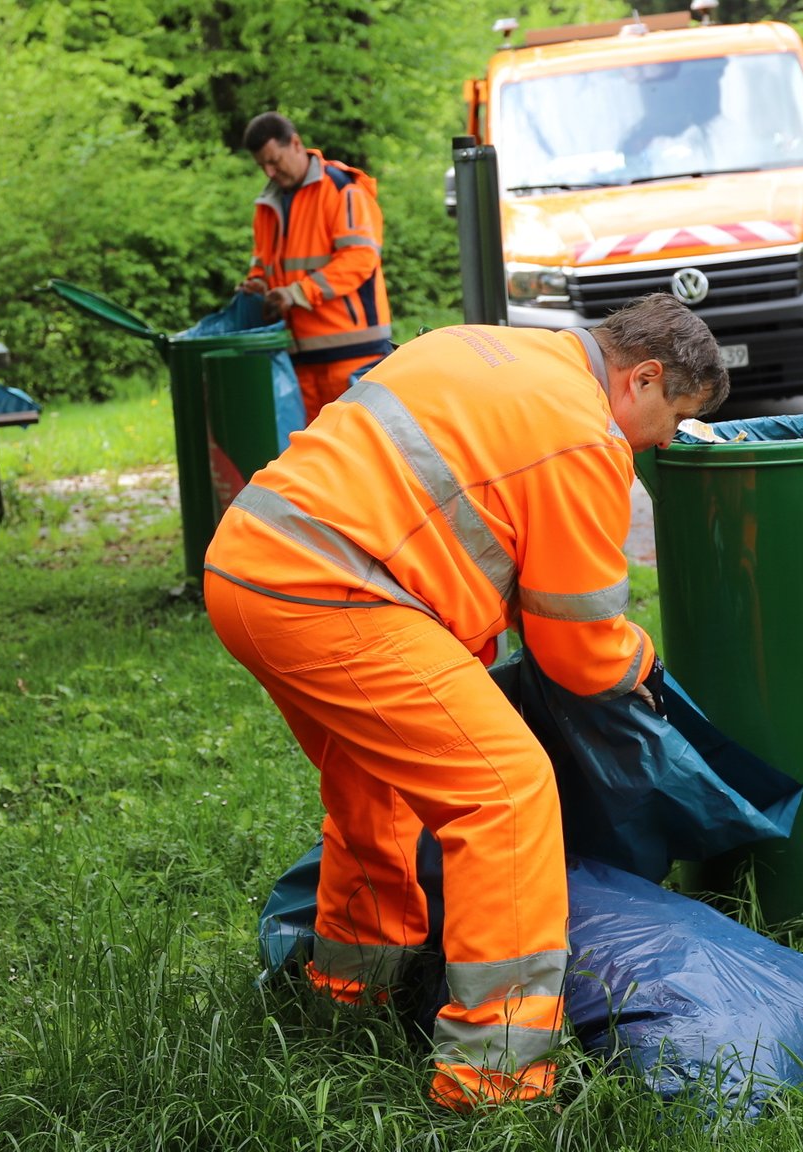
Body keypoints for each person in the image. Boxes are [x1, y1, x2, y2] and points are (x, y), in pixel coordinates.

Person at [202, 295, 728, 1110]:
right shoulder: (585, 433)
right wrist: (642, 664)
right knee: (505, 793)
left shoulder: (480, 346)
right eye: (672, 419)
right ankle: (495, 1077)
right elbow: (578, 647)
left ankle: (348, 997)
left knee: (375, 785)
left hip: (249, 569)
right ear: (643, 377)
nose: (661, 443)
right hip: (334, 594)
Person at [239, 112, 393, 423]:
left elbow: (359, 258)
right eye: (262, 166)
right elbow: (262, 266)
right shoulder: (266, 207)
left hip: (353, 354)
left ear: (295, 143)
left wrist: (297, 293)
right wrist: (256, 285)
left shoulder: (342, 189)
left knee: (357, 455)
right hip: (298, 359)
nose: (269, 171)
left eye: (274, 160)